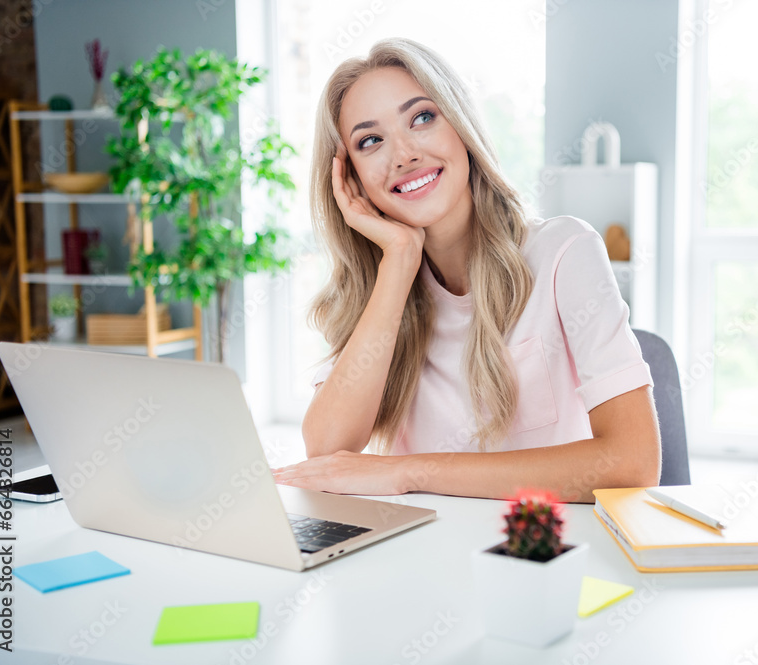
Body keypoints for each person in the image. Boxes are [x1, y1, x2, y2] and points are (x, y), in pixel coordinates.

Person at [271, 37, 661, 503]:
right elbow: (330, 452)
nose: (403, 154)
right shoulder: (378, 289)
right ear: (351, 179)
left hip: (540, 551)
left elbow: (633, 462)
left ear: (460, 125)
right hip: (425, 551)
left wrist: (409, 472)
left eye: (421, 117)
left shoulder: (564, 251)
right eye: (370, 141)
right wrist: (398, 262)